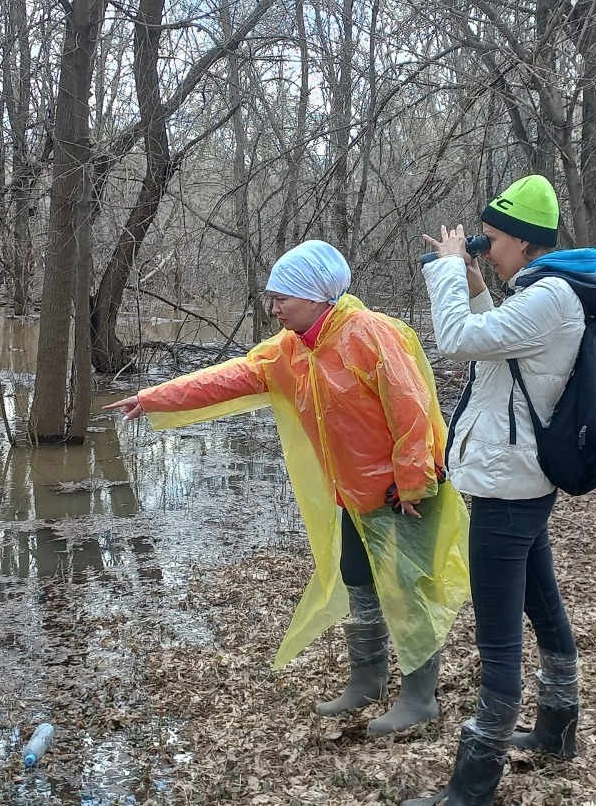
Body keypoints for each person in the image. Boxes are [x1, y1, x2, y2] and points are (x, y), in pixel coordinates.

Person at [105, 240, 469, 736]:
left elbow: (413, 412)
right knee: (359, 580)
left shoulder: (369, 334)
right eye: (272, 298)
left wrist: (411, 483)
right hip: (354, 495)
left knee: (408, 590)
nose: (273, 307)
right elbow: (230, 377)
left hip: (402, 495)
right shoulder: (293, 349)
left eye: (282, 298)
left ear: (316, 296)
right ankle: (368, 679)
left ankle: (420, 697)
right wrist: (152, 399)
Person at [406, 174, 596, 806]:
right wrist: (471, 281)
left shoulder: (551, 296)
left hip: (508, 486)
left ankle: (474, 784)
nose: (483, 248)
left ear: (523, 242)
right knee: (541, 601)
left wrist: (444, 270)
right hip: (517, 476)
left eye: (490, 240)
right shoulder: (552, 292)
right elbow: (504, 347)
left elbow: (460, 343)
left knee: (497, 639)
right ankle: (556, 727)